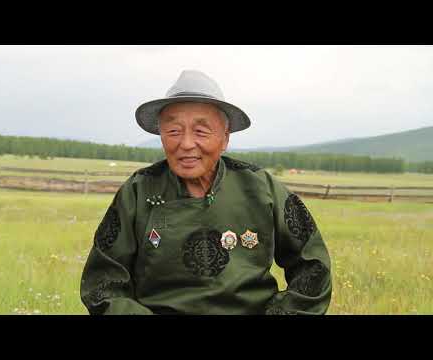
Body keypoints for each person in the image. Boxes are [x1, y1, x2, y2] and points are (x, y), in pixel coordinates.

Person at [80, 70, 332, 315]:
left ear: (225, 138)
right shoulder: (137, 191)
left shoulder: (260, 188)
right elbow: (103, 283)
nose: (187, 143)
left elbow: (313, 267)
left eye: (201, 131)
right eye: (174, 131)